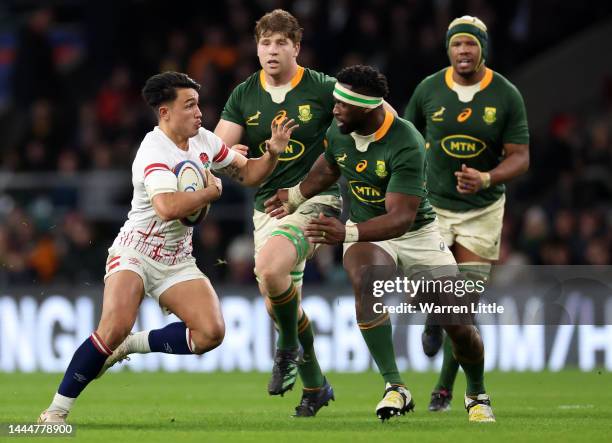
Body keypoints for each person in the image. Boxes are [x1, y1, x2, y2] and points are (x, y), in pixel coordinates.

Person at [38, 71, 296, 423]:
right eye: (189, 105)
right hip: (137, 251)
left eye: (198, 104)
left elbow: (250, 173)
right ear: (165, 112)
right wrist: (210, 191)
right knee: (113, 327)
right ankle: (56, 411)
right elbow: (167, 207)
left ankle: (133, 344)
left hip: (177, 258)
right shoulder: (153, 150)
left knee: (210, 334)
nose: (199, 113)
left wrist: (273, 154)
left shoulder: (204, 140)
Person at [266, 64, 496, 423]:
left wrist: (347, 233)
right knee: (367, 280)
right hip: (366, 228)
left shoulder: (406, 143)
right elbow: (331, 164)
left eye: (343, 103)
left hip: (415, 234)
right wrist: (295, 196)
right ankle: (395, 386)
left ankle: (477, 393)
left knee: (459, 324)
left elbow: (401, 218)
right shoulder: (341, 128)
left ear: (367, 109)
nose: (335, 108)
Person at [213, 9, 342, 417]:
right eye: (265, 43)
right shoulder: (244, 94)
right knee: (279, 303)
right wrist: (231, 157)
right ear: (256, 47)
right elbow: (217, 153)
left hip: (315, 201)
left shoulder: (324, 89)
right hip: (266, 209)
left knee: (270, 270)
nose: (272, 50)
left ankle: (286, 348)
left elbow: (375, 116)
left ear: (296, 47)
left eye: (281, 43)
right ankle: (316, 386)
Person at [404, 15, 529, 412]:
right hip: (433, 207)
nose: (463, 51)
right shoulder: (429, 90)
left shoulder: (505, 95)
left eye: (471, 45)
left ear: (482, 50)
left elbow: (521, 157)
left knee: (463, 308)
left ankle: (443, 388)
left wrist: (488, 177)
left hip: (482, 211)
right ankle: (432, 318)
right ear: (448, 49)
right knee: (426, 295)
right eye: (457, 44)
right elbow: (408, 136)